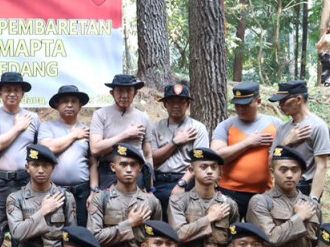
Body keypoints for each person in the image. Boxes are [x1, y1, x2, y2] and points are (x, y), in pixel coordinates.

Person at [0, 71, 40, 247]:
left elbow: (39, 151)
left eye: (16, 90)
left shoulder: (33, 118)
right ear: (0, 93)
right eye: (7, 90)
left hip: (24, 183)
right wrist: (17, 127)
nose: (12, 93)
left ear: (23, 93)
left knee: (22, 234)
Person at [6, 144, 76, 247]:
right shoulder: (16, 198)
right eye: (35, 165)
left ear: (53, 168)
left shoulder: (65, 198)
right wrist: (43, 211)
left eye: (45, 165)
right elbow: (17, 233)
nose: (40, 170)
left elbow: (71, 237)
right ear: (27, 167)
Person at [87, 144, 162, 247]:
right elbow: (93, 238)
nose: (128, 169)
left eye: (133, 165)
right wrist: (129, 223)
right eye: (123, 164)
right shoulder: (101, 199)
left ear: (139, 169)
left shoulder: (151, 201)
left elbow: (157, 239)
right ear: (113, 167)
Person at [246, 146, 321, 247]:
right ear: (272, 172)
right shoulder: (261, 202)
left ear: (302, 173)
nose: (289, 175)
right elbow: (270, 239)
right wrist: (299, 217)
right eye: (283, 170)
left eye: (295, 170)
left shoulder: (312, 206)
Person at [166, 148, 239, 247]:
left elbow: (232, 241)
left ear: (220, 172)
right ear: (192, 171)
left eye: (214, 167)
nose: (209, 171)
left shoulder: (229, 205)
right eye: (203, 167)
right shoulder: (179, 201)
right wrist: (209, 219)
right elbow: (178, 234)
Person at [211, 81, 280, 214]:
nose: (240, 109)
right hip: (229, 192)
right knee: (227, 231)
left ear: (258, 101)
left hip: (263, 192)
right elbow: (216, 157)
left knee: (259, 233)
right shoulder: (226, 126)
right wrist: (247, 143)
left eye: (245, 105)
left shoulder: (275, 124)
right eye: (237, 105)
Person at [148, 83, 210, 214]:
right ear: (165, 104)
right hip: (160, 182)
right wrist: (175, 142)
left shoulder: (197, 128)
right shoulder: (155, 127)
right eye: (171, 102)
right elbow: (152, 158)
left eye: (181, 102)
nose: (176, 106)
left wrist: (182, 183)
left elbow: (199, 162)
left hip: (186, 182)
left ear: (188, 104)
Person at [39, 84, 95, 227]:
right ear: (57, 105)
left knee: (81, 230)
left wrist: (94, 190)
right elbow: (48, 148)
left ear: (80, 105)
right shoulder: (47, 127)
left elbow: (93, 162)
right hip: (55, 191)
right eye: (64, 101)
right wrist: (74, 135)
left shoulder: (87, 130)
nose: (69, 105)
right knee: (55, 230)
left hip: (82, 191)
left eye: (73, 101)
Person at [270, 80, 330, 199]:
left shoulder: (318, 127)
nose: (280, 105)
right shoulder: (282, 128)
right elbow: (271, 161)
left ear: (298, 99)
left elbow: (322, 166)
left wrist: (313, 199)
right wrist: (286, 143)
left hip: (304, 187)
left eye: (284, 100)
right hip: (280, 189)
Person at [89, 74, 154, 190]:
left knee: (137, 207)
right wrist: (125, 135)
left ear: (135, 93)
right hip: (109, 172)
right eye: (119, 91)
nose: (124, 95)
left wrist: (150, 187)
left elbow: (148, 155)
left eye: (129, 91)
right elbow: (95, 149)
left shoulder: (143, 117)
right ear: (112, 93)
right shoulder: (100, 115)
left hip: (135, 171)